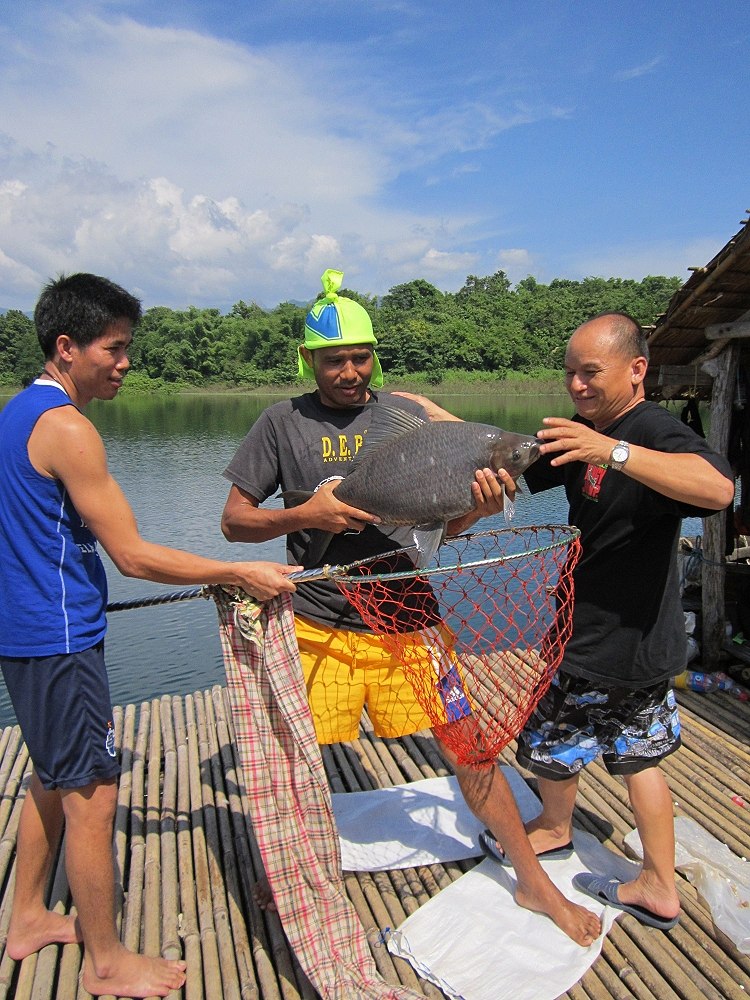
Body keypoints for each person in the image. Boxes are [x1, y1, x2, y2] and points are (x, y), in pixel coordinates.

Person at [221, 268, 601, 946]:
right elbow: (234, 522)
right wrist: (305, 514)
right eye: (333, 359)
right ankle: (288, 873)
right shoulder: (280, 423)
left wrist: (475, 512)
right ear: (306, 359)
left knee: (471, 749)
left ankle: (533, 881)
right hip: (317, 619)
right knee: (295, 758)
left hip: (411, 617)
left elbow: (437, 530)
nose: (349, 370)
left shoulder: (410, 413)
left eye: (360, 356)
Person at [0, 273, 300, 998]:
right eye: (115, 347)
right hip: (60, 639)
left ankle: (28, 915)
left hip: (26, 631)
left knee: (51, 772)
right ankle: (107, 962)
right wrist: (239, 570)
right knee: (94, 792)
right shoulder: (67, 427)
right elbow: (132, 556)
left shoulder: (18, 412)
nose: (126, 361)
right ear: (66, 348)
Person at [507, 311, 734, 930]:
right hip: (605, 635)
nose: (577, 385)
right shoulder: (581, 429)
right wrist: (447, 438)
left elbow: (718, 492)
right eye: (570, 374)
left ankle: (578, 840)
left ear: (637, 370)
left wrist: (614, 450)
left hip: (618, 641)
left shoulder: (652, 429)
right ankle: (630, 868)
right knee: (624, 756)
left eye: (590, 372)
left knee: (576, 745)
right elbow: (513, 473)